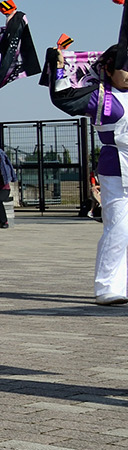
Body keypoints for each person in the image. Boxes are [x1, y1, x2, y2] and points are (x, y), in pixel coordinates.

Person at [52, 45, 128, 304]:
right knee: (119, 227)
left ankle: (122, 284)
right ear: (108, 68)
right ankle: (107, 286)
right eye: (124, 67)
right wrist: (59, 66)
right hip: (117, 170)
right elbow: (64, 96)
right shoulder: (103, 97)